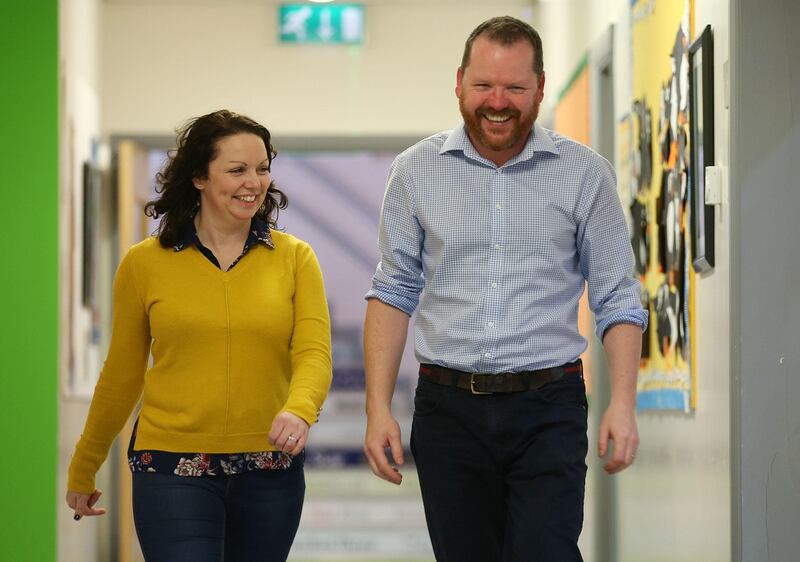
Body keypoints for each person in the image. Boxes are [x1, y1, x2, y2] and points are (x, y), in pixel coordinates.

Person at [362, 16, 648, 562]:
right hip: (448, 411)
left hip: (550, 405)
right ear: (459, 83)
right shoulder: (415, 171)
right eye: (483, 86)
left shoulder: (583, 174)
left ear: (540, 87)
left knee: (546, 551)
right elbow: (394, 289)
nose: (498, 102)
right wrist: (378, 408)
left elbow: (616, 296)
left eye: (515, 88)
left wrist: (623, 403)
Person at [66, 110, 332, 562]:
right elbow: (123, 374)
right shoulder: (143, 263)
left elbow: (313, 352)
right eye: (236, 170)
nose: (254, 182)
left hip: (268, 467)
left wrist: (300, 409)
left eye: (262, 168)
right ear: (198, 178)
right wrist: (84, 464)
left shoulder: (295, 258)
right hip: (170, 465)